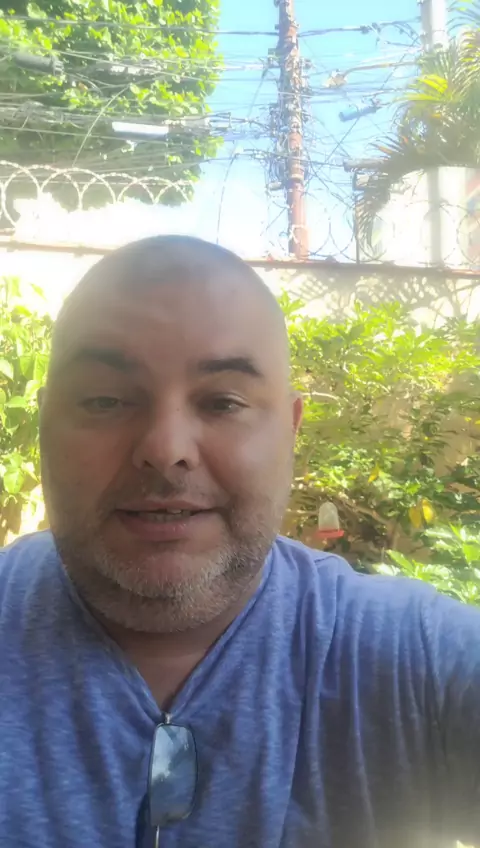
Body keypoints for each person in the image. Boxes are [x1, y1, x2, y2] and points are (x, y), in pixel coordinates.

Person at [0, 235, 478, 848]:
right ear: (45, 425)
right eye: (105, 400)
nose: (165, 449)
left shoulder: (415, 660)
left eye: (223, 402)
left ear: (290, 431)